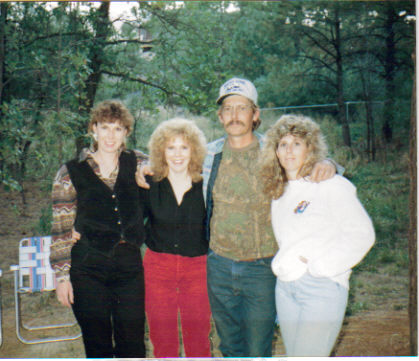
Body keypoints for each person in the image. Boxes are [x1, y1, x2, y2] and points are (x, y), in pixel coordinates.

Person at [136, 77, 337, 357]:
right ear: (220, 116)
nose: (234, 115)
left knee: (257, 348)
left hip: (261, 268)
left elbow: (312, 161)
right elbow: (171, 158)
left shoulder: (275, 151)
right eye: (228, 109)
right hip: (218, 266)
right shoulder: (209, 155)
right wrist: (143, 164)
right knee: (229, 347)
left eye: (242, 108)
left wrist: (329, 164)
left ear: (255, 114)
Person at [259, 114, 375, 356]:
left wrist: (321, 267)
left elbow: (362, 234)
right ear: (275, 151)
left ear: (310, 149)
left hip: (321, 287)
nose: (289, 150)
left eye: (297, 144)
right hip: (286, 288)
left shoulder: (331, 185)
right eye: (283, 144)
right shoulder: (278, 191)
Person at [50, 100, 148, 358]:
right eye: (105, 128)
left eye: (118, 129)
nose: (110, 136)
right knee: (97, 345)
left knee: (133, 344)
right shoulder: (69, 172)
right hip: (88, 268)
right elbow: (61, 229)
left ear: (126, 132)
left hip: (129, 267)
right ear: (93, 129)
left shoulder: (138, 163)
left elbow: (169, 174)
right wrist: (62, 277)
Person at [140, 118, 211, 357]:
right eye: (171, 147)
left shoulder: (206, 183)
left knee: (199, 337)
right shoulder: (149, 182)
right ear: (161, 151)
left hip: (198, 268)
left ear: (195, 150)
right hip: (158, 268)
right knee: (162, 338)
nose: (177, 154)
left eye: (184, 147)